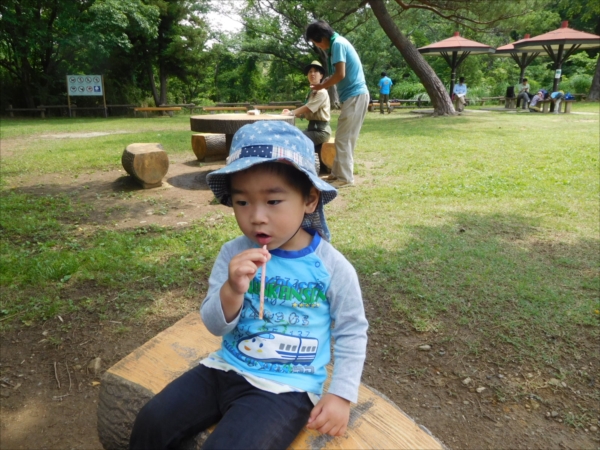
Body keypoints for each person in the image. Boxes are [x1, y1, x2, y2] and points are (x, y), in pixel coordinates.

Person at [129, 121, 369, 450]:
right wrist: (232, 289)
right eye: (242, 202)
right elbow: (214, 325)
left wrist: (341, 394)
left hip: (285, 390)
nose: (256, 217)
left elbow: (352, 331)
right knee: (151, 423)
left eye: (273, 202)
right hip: (223, 367)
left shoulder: (332, 268)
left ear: (310, 199)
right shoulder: (233, 254)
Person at [305, 20, 369, 189]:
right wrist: (326, 81)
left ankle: (346, 178)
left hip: (355, 95)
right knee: (344, 137)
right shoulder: (336, 44)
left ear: (322, 37)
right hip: (352, 97)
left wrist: (321, 86)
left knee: (344, 138)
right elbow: (337, 75)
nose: (318, 46)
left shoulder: (338, 44)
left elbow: (340, 74)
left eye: (316, 42)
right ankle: (337, 173)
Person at [282, 61, 331, 167]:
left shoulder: (321, 92)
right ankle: (299, 164)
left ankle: (300, 166)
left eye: (315, 72)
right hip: (312, 129)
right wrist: (292, 113)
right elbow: (306, 114)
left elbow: (308, 108)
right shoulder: (311, 92)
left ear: (321, 75)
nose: (312, 74)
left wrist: (291, 113)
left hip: (320, 131)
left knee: (293, 138)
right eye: (310, 71)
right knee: (291, 134)